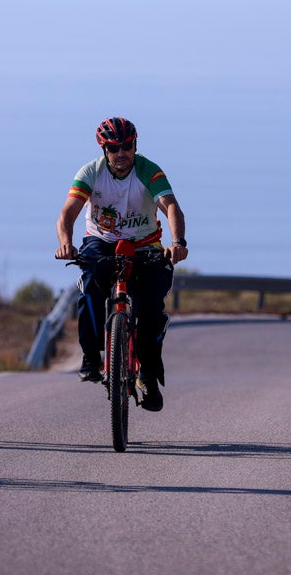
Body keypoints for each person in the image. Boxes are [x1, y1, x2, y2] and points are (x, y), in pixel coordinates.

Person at [55, 117, 187, 412]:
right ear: (104, 150)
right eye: (113, 148)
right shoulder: (91, 172)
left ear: (135, 145)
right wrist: (66, 242)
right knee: (89, 286)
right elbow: (68, 213)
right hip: (100, 241)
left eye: (126, 147)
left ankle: (149, 377)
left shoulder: (149, 171)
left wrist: (177, 242)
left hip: (145, 244)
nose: (121, 154)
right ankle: (91, 357)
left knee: (150, 309)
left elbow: (171, 207)